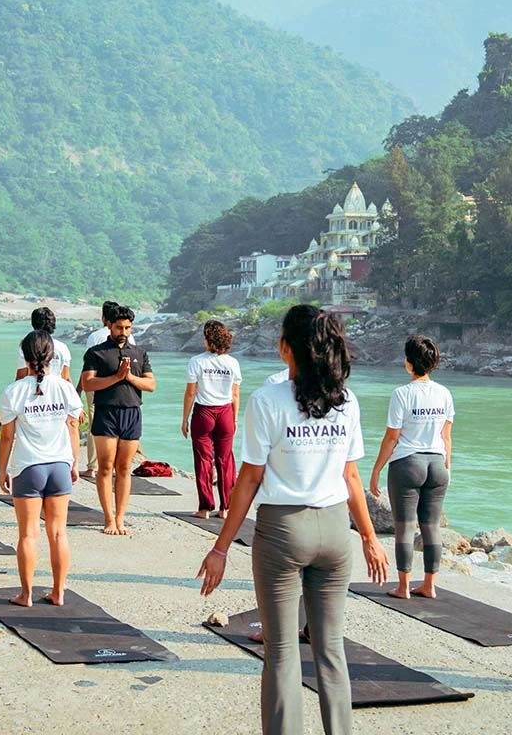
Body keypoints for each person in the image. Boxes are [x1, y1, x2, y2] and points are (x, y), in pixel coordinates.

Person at [198, 304, 389, 735]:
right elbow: (352, 477)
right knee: (331, 651)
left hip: (284, 531)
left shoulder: (268, 400)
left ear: (288, 348)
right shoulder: (347, 400)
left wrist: (220, 547)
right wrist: (370, 539)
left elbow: (248, 480)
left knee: (283, 653)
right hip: (337, 530)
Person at [0, 330, 82, 607]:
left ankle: (26, 594)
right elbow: (72, 426)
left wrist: (2, 471)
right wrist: (74, 462)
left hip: (28, 467)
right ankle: (58, 592)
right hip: (59, 464)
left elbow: (7, 436)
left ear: (25, 356)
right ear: (52, 356)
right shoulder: (65, 387)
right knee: (58, 532)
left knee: (28, 534)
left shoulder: (14, 391)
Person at [368, 336, 454, 600]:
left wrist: (376, 470)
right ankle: (430, 585)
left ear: (409, 363)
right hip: (437, 465)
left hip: (407, 464)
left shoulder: (402, 394)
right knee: (431, 527)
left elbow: (392, 437)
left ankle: (403, 587)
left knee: (404, 527)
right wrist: (447, 465)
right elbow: (446, 436)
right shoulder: (444, 393)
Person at [79, 304, 154, 535]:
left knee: (123, 468)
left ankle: (121, 518)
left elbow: (151, 385)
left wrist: (129, 377)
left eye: (128, 327)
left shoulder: (139, 353)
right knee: (105, 467)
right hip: (105, 412)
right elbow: (88, 383)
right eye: (119, 327)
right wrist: (115, 377)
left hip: (132, 412)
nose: (124, 331)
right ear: (109, 325)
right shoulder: (96, 353)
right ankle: (108, 518)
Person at [181, 320, 243, 519]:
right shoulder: (232, 363)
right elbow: (235, 395)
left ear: (208, 338)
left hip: (203, 414)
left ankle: (205, 508)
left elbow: (191, 393)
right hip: (225, 413)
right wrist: (234, 419)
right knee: (225, 461)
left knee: (203, 460)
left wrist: (184, 419)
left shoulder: (197, 361)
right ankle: (225, 508)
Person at [77, 300, 136, 480]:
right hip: (123, 389)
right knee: (121, 426)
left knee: (96, 423)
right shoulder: (129, 337)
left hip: (98, 384)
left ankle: (92, 467)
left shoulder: (95, 337)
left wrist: (78, 388)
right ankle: (118, 465)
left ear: (104, 318)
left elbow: (87, 367)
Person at [15, 307, 71, 382]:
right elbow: (66, 377)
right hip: (56, 389)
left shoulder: (28, 345)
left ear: (33, 323)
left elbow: (21, 377)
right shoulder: (62, 347)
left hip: (31, 389)